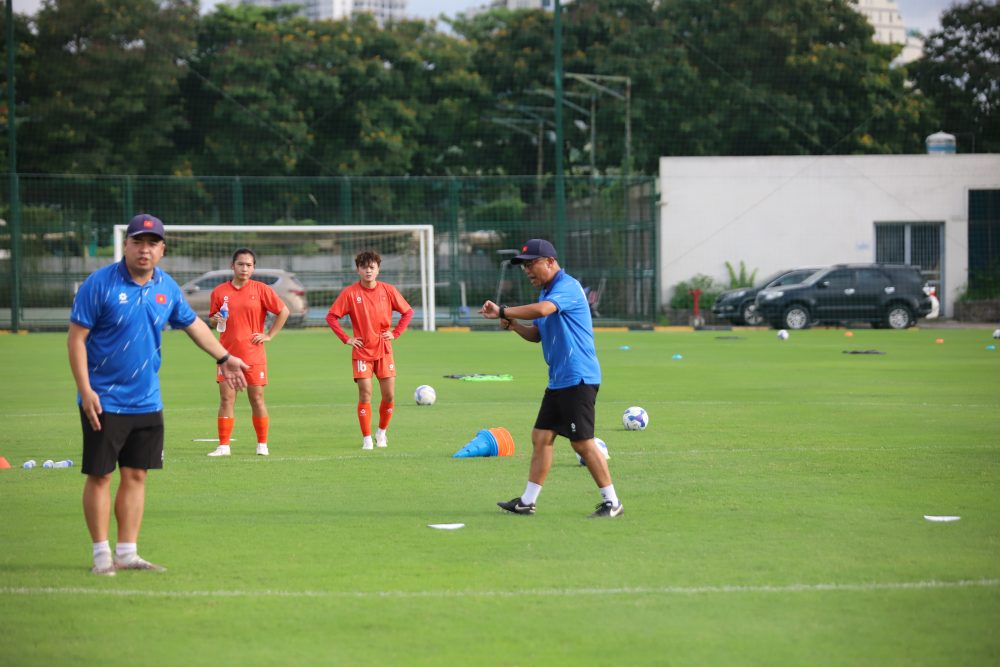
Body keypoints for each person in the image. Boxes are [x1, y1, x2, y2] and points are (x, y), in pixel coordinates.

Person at [68, 214, 250, 575]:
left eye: (152, 243)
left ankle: (128, 552)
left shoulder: (166, 286)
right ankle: (101, 554)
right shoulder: (99, 284)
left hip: (147, 401)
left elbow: (193, 324)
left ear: (162, 249)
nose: (144, 249)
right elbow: (76, 338)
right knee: (101, 476)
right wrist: (85, 390)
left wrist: (225, 357)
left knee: (137, 475)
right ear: (126, 245)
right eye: (138, 242)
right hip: (103, 399)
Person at [479, 238, 623, 518]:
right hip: (560, 379)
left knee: (582, 442)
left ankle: (612, 502)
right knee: (541, 436)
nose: (528, 271)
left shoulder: (566, 287)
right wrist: (515, 326)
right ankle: (527, 502)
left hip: (578, 377)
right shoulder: (547, 294)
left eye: (532, 264)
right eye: (524, 267)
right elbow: (537, 333)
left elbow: (543, 311)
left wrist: (504, 310)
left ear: (551, 262)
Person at [326, 250, 414, 450]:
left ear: (378, 269)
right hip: (362, 351)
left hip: (384, 349)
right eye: (364, 267)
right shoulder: (350, 293)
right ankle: (366, 438)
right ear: (358, 270)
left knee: (389, 395)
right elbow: (331, 317)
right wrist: (346, 339)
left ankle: (381, 432)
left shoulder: (388, 290)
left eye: (372, 267)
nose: (368, 271)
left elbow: (407, 312)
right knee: (365, 394)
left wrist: (396, 332)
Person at [206, 248, 290, 457]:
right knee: (226, 399)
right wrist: (216, 319)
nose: (245, 268)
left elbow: (283, 311)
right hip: (226, 355)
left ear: (253, 267)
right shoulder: (219, 292)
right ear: (232, 265)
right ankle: (224, 445)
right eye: (241, 264)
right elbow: (212, 320)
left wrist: (269, 335)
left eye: (249, 265)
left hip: (254, 354)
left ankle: (262, 444)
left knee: (257, 399)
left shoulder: (261, 289)